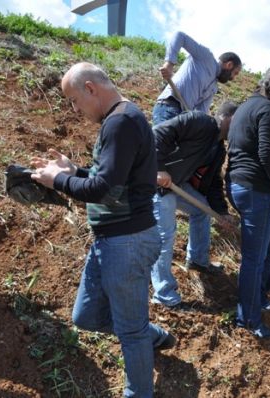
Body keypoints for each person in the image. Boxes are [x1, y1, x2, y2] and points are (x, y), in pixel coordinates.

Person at [30, 62, 175, 398]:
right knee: (86, 315)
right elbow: (111, 182)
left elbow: (101, 189)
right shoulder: (123, 119)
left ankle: (138, 384)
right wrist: (74, 170)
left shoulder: (121, 122)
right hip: (112, 240)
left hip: (127, 242)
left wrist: (59, 180)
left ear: (91, 88)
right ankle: (150, 334)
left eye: (74, 100)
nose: (75, 109)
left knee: (129, 332)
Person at [226, 66, 270, 338]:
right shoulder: (267, 109)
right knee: (254, 259)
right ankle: (249, 319)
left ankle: (260, 297)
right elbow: (267, 154)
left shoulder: (246, 106)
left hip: (242, 186)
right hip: (256, 191)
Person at [150, 102, 238, 309]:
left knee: (200, 209)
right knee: (166, 235)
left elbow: (214, 183)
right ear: (227, 117)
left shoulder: (218, 150)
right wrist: (158, 168)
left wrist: (222, 212)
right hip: (155, 183)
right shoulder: (199, 121)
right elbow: (157, 134)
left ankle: (198, 260)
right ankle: (163, 295)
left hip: (176, 184)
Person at [153, 31, 242, 123]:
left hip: (182, 119)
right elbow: (180, 36)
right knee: (163, 137)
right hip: (168, 106)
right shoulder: (206, 56)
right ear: (229, 65)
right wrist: (169, 64)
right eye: (235, 73)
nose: (233, 78)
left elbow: (200, 113)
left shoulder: (213, 88)